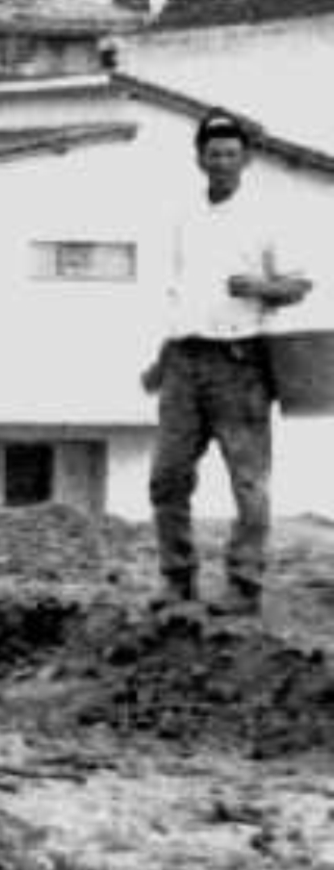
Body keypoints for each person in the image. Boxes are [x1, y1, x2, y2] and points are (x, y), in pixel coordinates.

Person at [142, 110, 313, 618]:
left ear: (246, 159)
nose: (222, 163)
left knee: (248, 480)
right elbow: (177, 297)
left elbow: (298, 286)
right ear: (199, 159)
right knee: (167, 476)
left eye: (231, 155)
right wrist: (161, 359)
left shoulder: (266, 214)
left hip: (240, 363)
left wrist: (261, 288)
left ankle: (244, 583)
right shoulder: (183, 215)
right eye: (213, 155)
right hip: (185, 360)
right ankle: (177, 580)